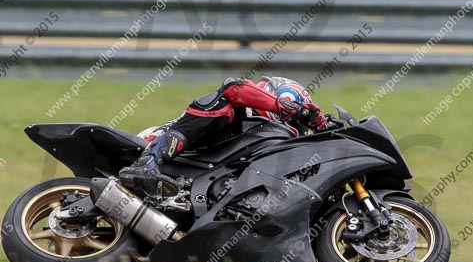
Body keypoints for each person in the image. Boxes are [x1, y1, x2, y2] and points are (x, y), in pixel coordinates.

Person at [119, 76, 329, 196]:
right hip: (147, 143)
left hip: (189, 175)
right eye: (294, 117)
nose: (295, 125)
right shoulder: (241, 109)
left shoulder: (258, 138)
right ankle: (147, 163)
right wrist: (283, 106)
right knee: (222, 105)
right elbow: (233, 87)